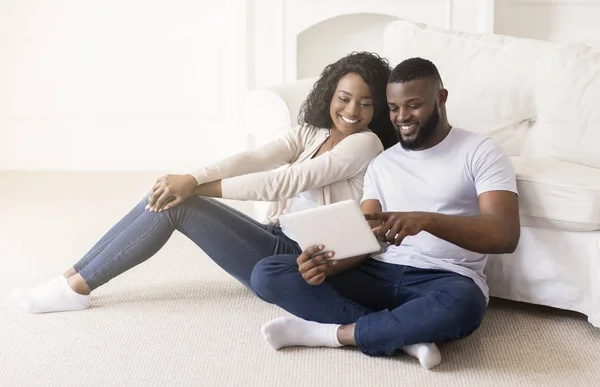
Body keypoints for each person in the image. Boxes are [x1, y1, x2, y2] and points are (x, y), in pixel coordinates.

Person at [10, 52, 398, 314]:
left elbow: (286, 181)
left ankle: (77, 288)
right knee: (165, 194)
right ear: (331, 94)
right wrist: (192, 177)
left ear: (378, 108)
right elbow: (254, 157)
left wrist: (194, 189)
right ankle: (72, 277)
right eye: (344, 98)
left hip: (303, 259)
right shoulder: (312, 132)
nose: (351, 111)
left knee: (179, 205)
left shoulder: (365, 143)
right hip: (276, 235)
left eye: (365, 103)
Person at [250, 57, 520, 370]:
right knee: (269, 272)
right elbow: (364, 236)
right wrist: (329, 265)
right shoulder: (383, 163)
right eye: (393, 108)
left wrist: (427, 220)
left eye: (414, 105)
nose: (402, 117)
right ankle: (404, 336)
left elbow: (504, 235)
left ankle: (332, 334)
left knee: (465, 307)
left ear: (441, 98)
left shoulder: (481, 151)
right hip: (380, 271)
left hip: (446, 277)